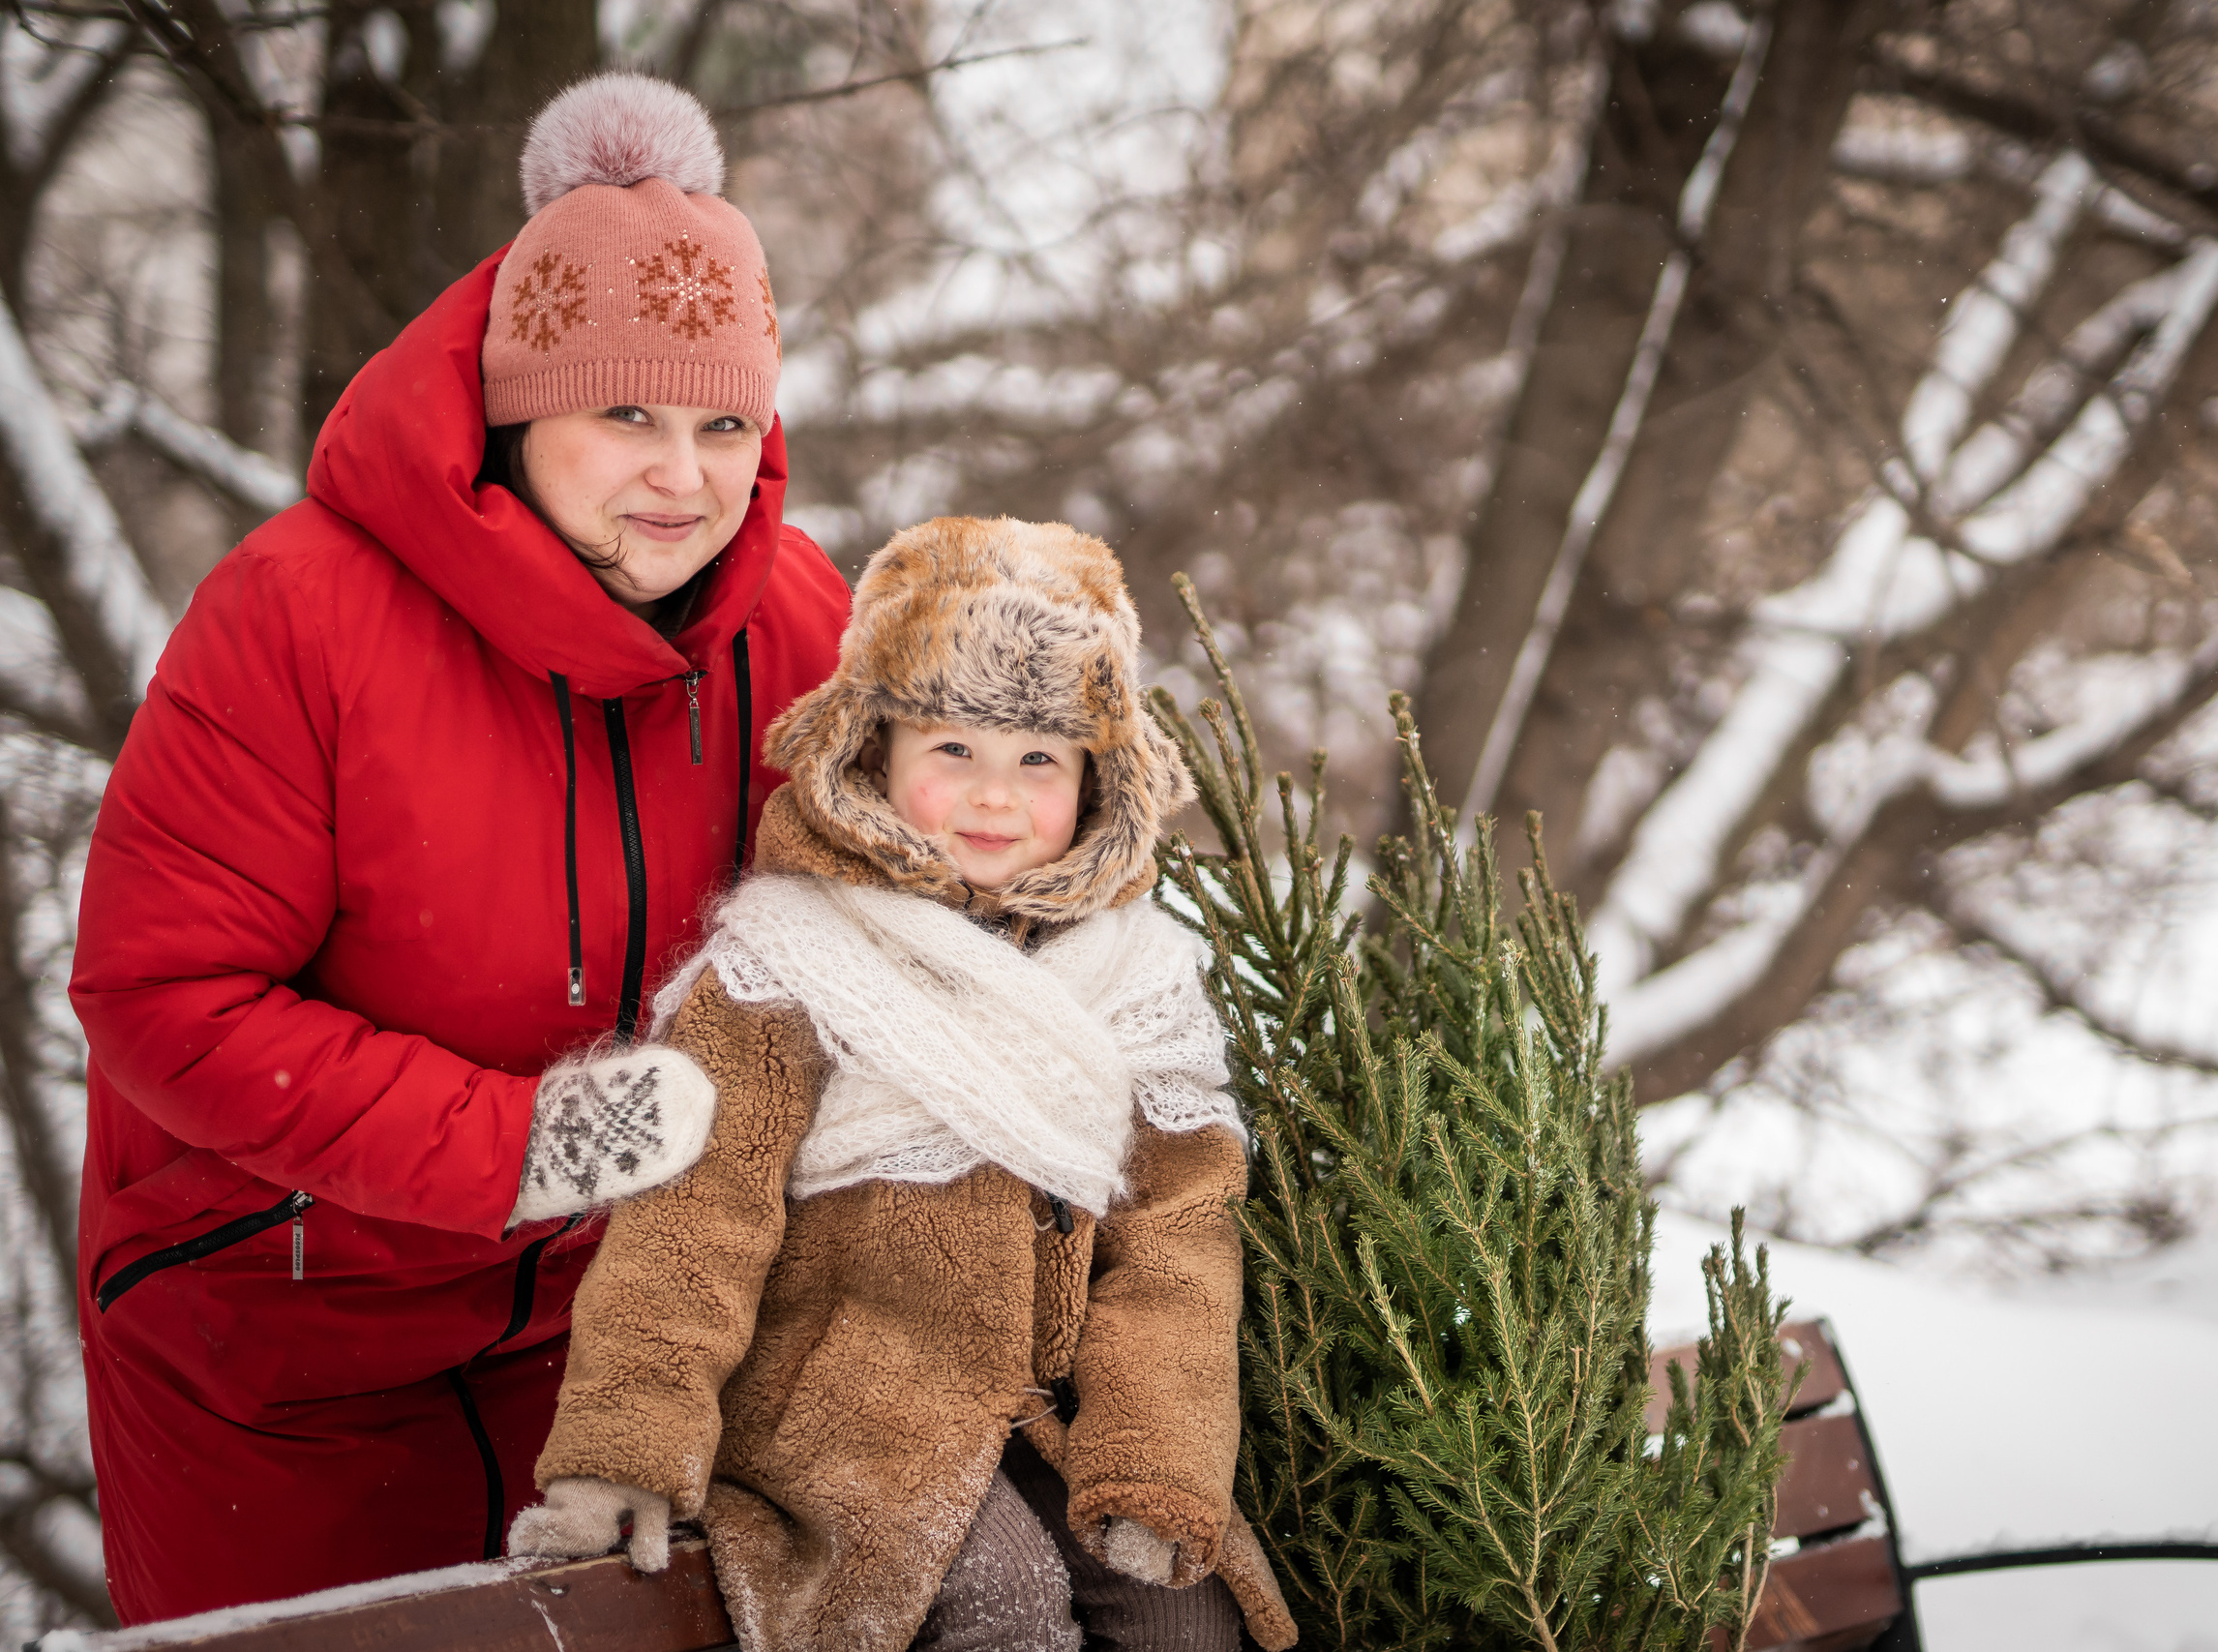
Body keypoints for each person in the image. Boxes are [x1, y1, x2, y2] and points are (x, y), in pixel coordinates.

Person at [67, 74, 852, 1625]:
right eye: (625, 411)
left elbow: (912, 917)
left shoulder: (804, 627)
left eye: (722, 422)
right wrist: (527, 1147)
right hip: (287, 1342)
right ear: (514, 405)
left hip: (634, 1345)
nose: (682, 479)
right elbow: (169, 997)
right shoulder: (299, 616)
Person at [502, 518, 1300, 1652]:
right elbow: (691, 1232)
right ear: (873, 753)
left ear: (1096, 781)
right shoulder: (785, 967)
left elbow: (1176, 1242)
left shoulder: (1136, 981)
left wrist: (1151, 1463)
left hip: (1035, 1419)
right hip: (835, 1416)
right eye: (953, 753)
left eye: (1039, 761)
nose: (994, 797)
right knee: (999, 1612)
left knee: (1189, 1621)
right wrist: (621, 1455)